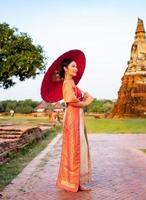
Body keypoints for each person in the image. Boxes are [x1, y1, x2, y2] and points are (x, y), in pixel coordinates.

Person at [56, 58, 93, 192]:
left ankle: (77, 182)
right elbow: (71, 101)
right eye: (73, 66)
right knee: (74, 148)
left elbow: (77, 98)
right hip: (72, 118)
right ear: (65, 68)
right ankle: (71, 182)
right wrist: (86, 102)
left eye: (76, 66)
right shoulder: (67, 83)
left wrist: (84, 97)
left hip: (77, 116)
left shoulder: (72, 82)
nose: (76, 68)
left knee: (80, 148)